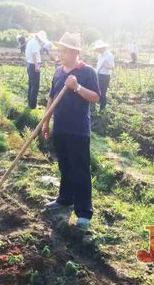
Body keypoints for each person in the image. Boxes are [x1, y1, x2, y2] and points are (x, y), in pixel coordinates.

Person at [42, 32, 100, 230]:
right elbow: (51, 98)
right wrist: (46, 121)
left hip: (78, 130)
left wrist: (76, 87)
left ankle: (84, 212)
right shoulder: (59, 71)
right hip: (60, 127)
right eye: (59, 49)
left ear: (75, 52)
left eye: (64, 50)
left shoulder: (88, 72)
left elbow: (95, 97)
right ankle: (64, 199)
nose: (60, 53)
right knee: (64, 166)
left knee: (80, 170)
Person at [25, 30, 49, 109]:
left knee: (31, 85)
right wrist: (36, 66)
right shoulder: (35, 43)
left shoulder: (31, 41)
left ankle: (30, 102)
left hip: (29, 64)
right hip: (33, 65)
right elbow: (34, 54)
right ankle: (33, 105)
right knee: (35, 86)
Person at [92, 40, 115, 111]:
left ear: (102, 48)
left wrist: (105, 66)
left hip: (105, 76)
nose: (97, 50)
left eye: (98, 49)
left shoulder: (109, 55)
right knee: (95, 90)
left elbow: (112, 67)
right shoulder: (100, 55)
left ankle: (102, 109)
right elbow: (98, 65)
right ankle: (94, 107)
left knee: (102, 92)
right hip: (98, 74)